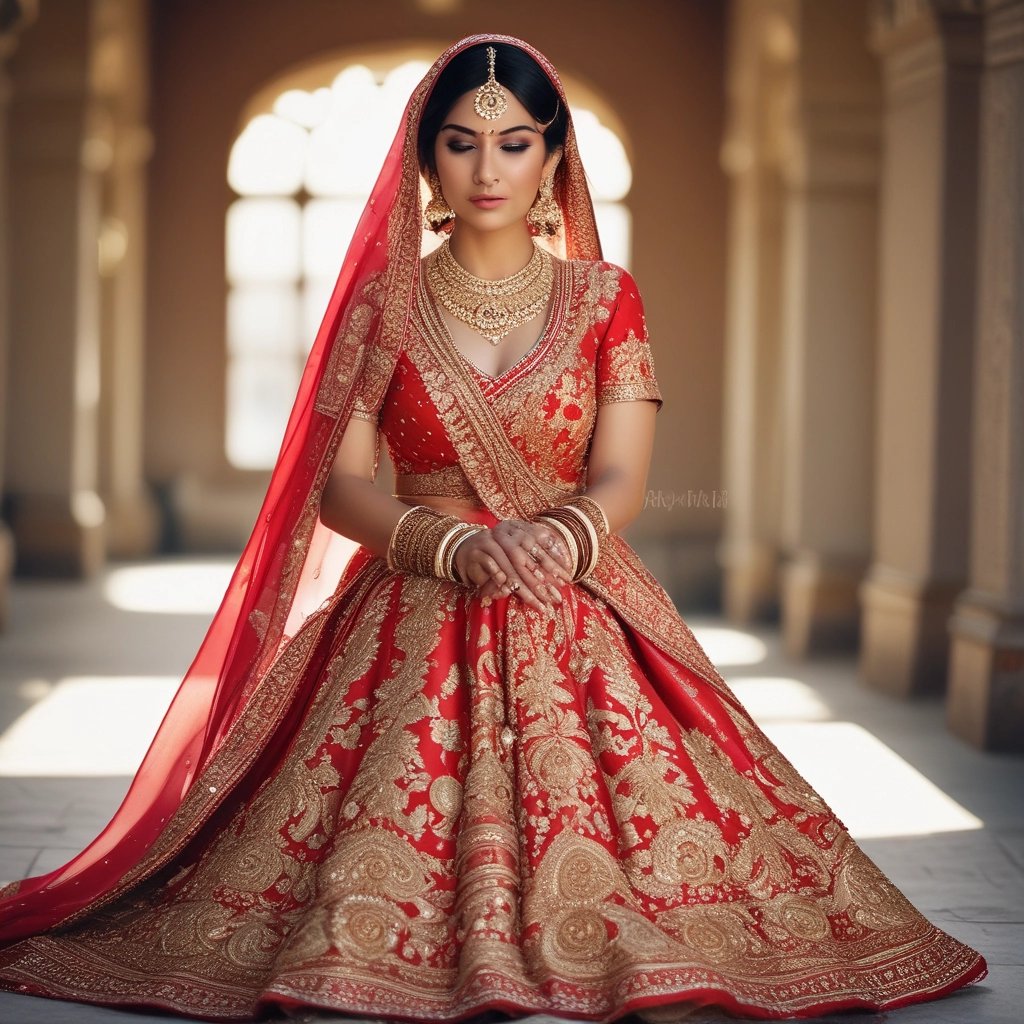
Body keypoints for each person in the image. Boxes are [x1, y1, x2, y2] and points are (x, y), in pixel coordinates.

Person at [0, 33, 986, 1023]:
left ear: (555, 158)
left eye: (514, 143)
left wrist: (556, 537)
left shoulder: (605, 297)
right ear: (425, 160)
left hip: (572, 586)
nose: (487, 168)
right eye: (462, 144)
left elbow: (622, 478)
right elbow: (337, 489)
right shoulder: (382, 306)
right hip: (412, 597)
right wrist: (459, 542)